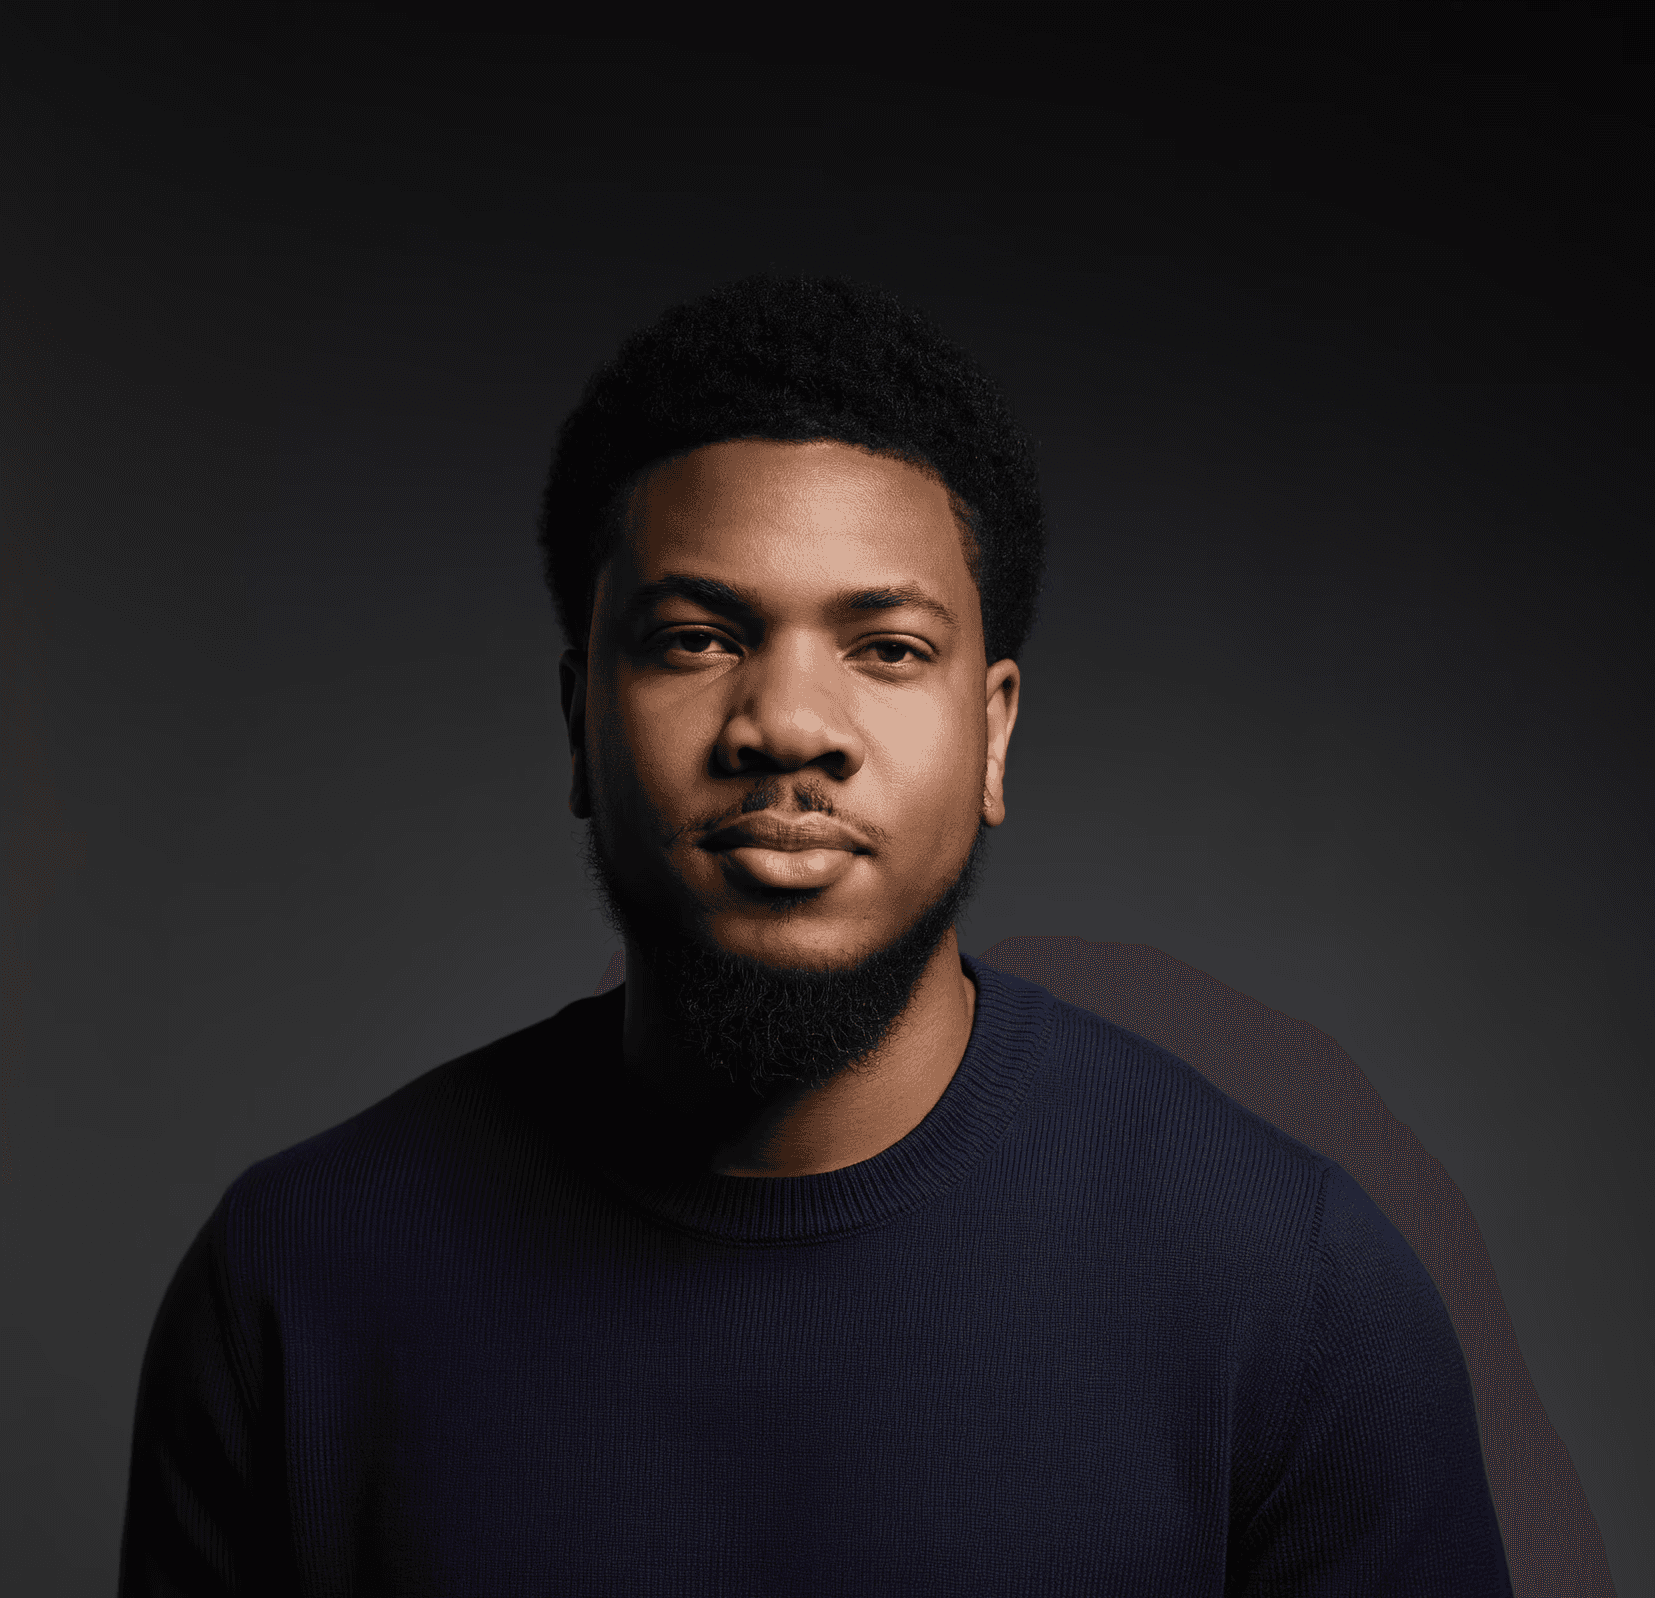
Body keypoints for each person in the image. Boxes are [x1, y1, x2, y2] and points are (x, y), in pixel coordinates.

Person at [120, 276, 1513, 1595]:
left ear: (994, 729)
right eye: (693, 636)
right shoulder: (296, 1284)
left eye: (887, 646)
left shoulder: (1294, 1297)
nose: (785, 723)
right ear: (576, 721)